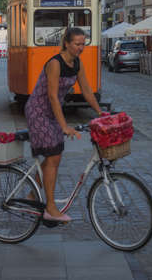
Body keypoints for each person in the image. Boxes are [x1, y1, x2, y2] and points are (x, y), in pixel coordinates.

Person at [24, 27, 102, 222]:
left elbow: (86, 90)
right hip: (38, 111)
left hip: (52, 112)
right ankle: (50, 208)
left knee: (54, 158)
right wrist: (65, 126)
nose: (81, 48)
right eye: (77, 44)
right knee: (54, 155)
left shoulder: (77, 64)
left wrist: (101, 113)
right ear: (66, 43)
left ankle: (32, 194)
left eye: (83, 44)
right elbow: (52, 96)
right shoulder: (55, 64)